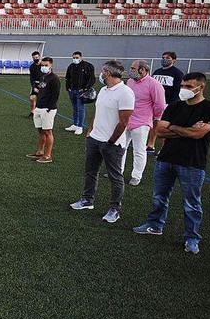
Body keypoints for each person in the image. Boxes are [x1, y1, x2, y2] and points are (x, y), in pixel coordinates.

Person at [132, 73, 210, 255]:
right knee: (159, 197)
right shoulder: (174, 107)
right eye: (183, 86)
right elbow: (160, 131)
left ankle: (191, 238)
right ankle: (155, 225)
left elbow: (198, 135)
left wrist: (173, 128)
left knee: (192, 203)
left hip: (192, 163)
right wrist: (185, 130)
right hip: (166, 159)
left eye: (189, 87)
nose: (184, 89)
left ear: (200, 88)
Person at [70, 60, 134, 223]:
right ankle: (87, 200)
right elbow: (97, 113)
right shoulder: (104, 90)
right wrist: (90, 132)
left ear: (109, 73)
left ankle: (114, 209)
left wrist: (111, 141)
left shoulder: (125, 92)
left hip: (112, 144)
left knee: (115, 176)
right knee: (90, 172)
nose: (101, 73)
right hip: (94, 140)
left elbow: (124, 122)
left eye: (103, 70)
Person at [120, 60, 166, 186]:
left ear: (143, 70)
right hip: (126, 120)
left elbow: (160, 105)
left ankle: (136, 176)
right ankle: (118, 171)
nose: (131, 70)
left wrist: (153, 117)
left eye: (133, 68)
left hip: (141, 123)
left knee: (139, 150)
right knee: (120, 147)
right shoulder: (130, 82)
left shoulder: (154, 84)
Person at [147, 51, 185, 155]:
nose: (164, 59)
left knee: (164, 127)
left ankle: (164, 149)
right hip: (154, 104)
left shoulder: (178, 74)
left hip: (168, 104)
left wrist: (171, 104)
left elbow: (178, 90)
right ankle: (150, 145)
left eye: (167, 58)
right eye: (163, 57)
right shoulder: (156, 72)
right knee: (154, 124)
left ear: (174, 60)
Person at [27, 57, 60, 164]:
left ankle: (48, 155)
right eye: (42, 65)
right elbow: (39, 89)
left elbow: (55, 95)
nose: (44, 67)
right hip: (39, 107)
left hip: (47, 109)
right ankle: (40, 152)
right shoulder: (42, 77)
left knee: (48, 131)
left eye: (46, 65)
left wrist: (49, 109)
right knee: (40, 130)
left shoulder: (54, 79)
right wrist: (34, 94)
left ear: (51, 65)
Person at [65, 51, 95, 135]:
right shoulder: (71, 66)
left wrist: (85, 89)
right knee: (75, 108)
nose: (75, 59)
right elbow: (68, 77)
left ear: (81, 57)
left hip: (81, 91)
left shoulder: (88, 66)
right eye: (73, 58)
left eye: (77, 57)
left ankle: (80, 126)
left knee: (80, 108)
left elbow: (92, 79)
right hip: (72, 91)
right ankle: (75, 124)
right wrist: (68, 88)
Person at [27, 51, 42, 117]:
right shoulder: (32, 67)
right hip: (35, 84)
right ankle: (32, 111)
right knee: (32, 98)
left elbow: (47, 76)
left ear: (39, 57)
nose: (35, 59)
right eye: (34, 58)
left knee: (42, 99)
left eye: (36, 57)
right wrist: (34, 86)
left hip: (44, 84)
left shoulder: (44, 65)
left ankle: (42, 112)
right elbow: (31, 78)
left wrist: (41, 85)